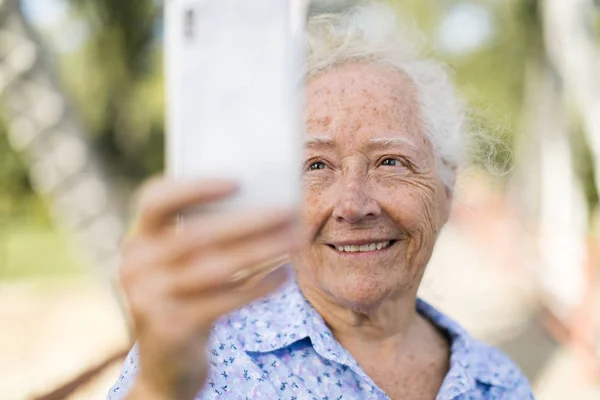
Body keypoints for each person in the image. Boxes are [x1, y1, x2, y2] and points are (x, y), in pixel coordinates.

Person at [108, 3, 533, 399]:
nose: (353, 204)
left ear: (446, 189)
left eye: (390, 161)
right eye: (315, 166)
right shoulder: (203, 360)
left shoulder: (497, 383)